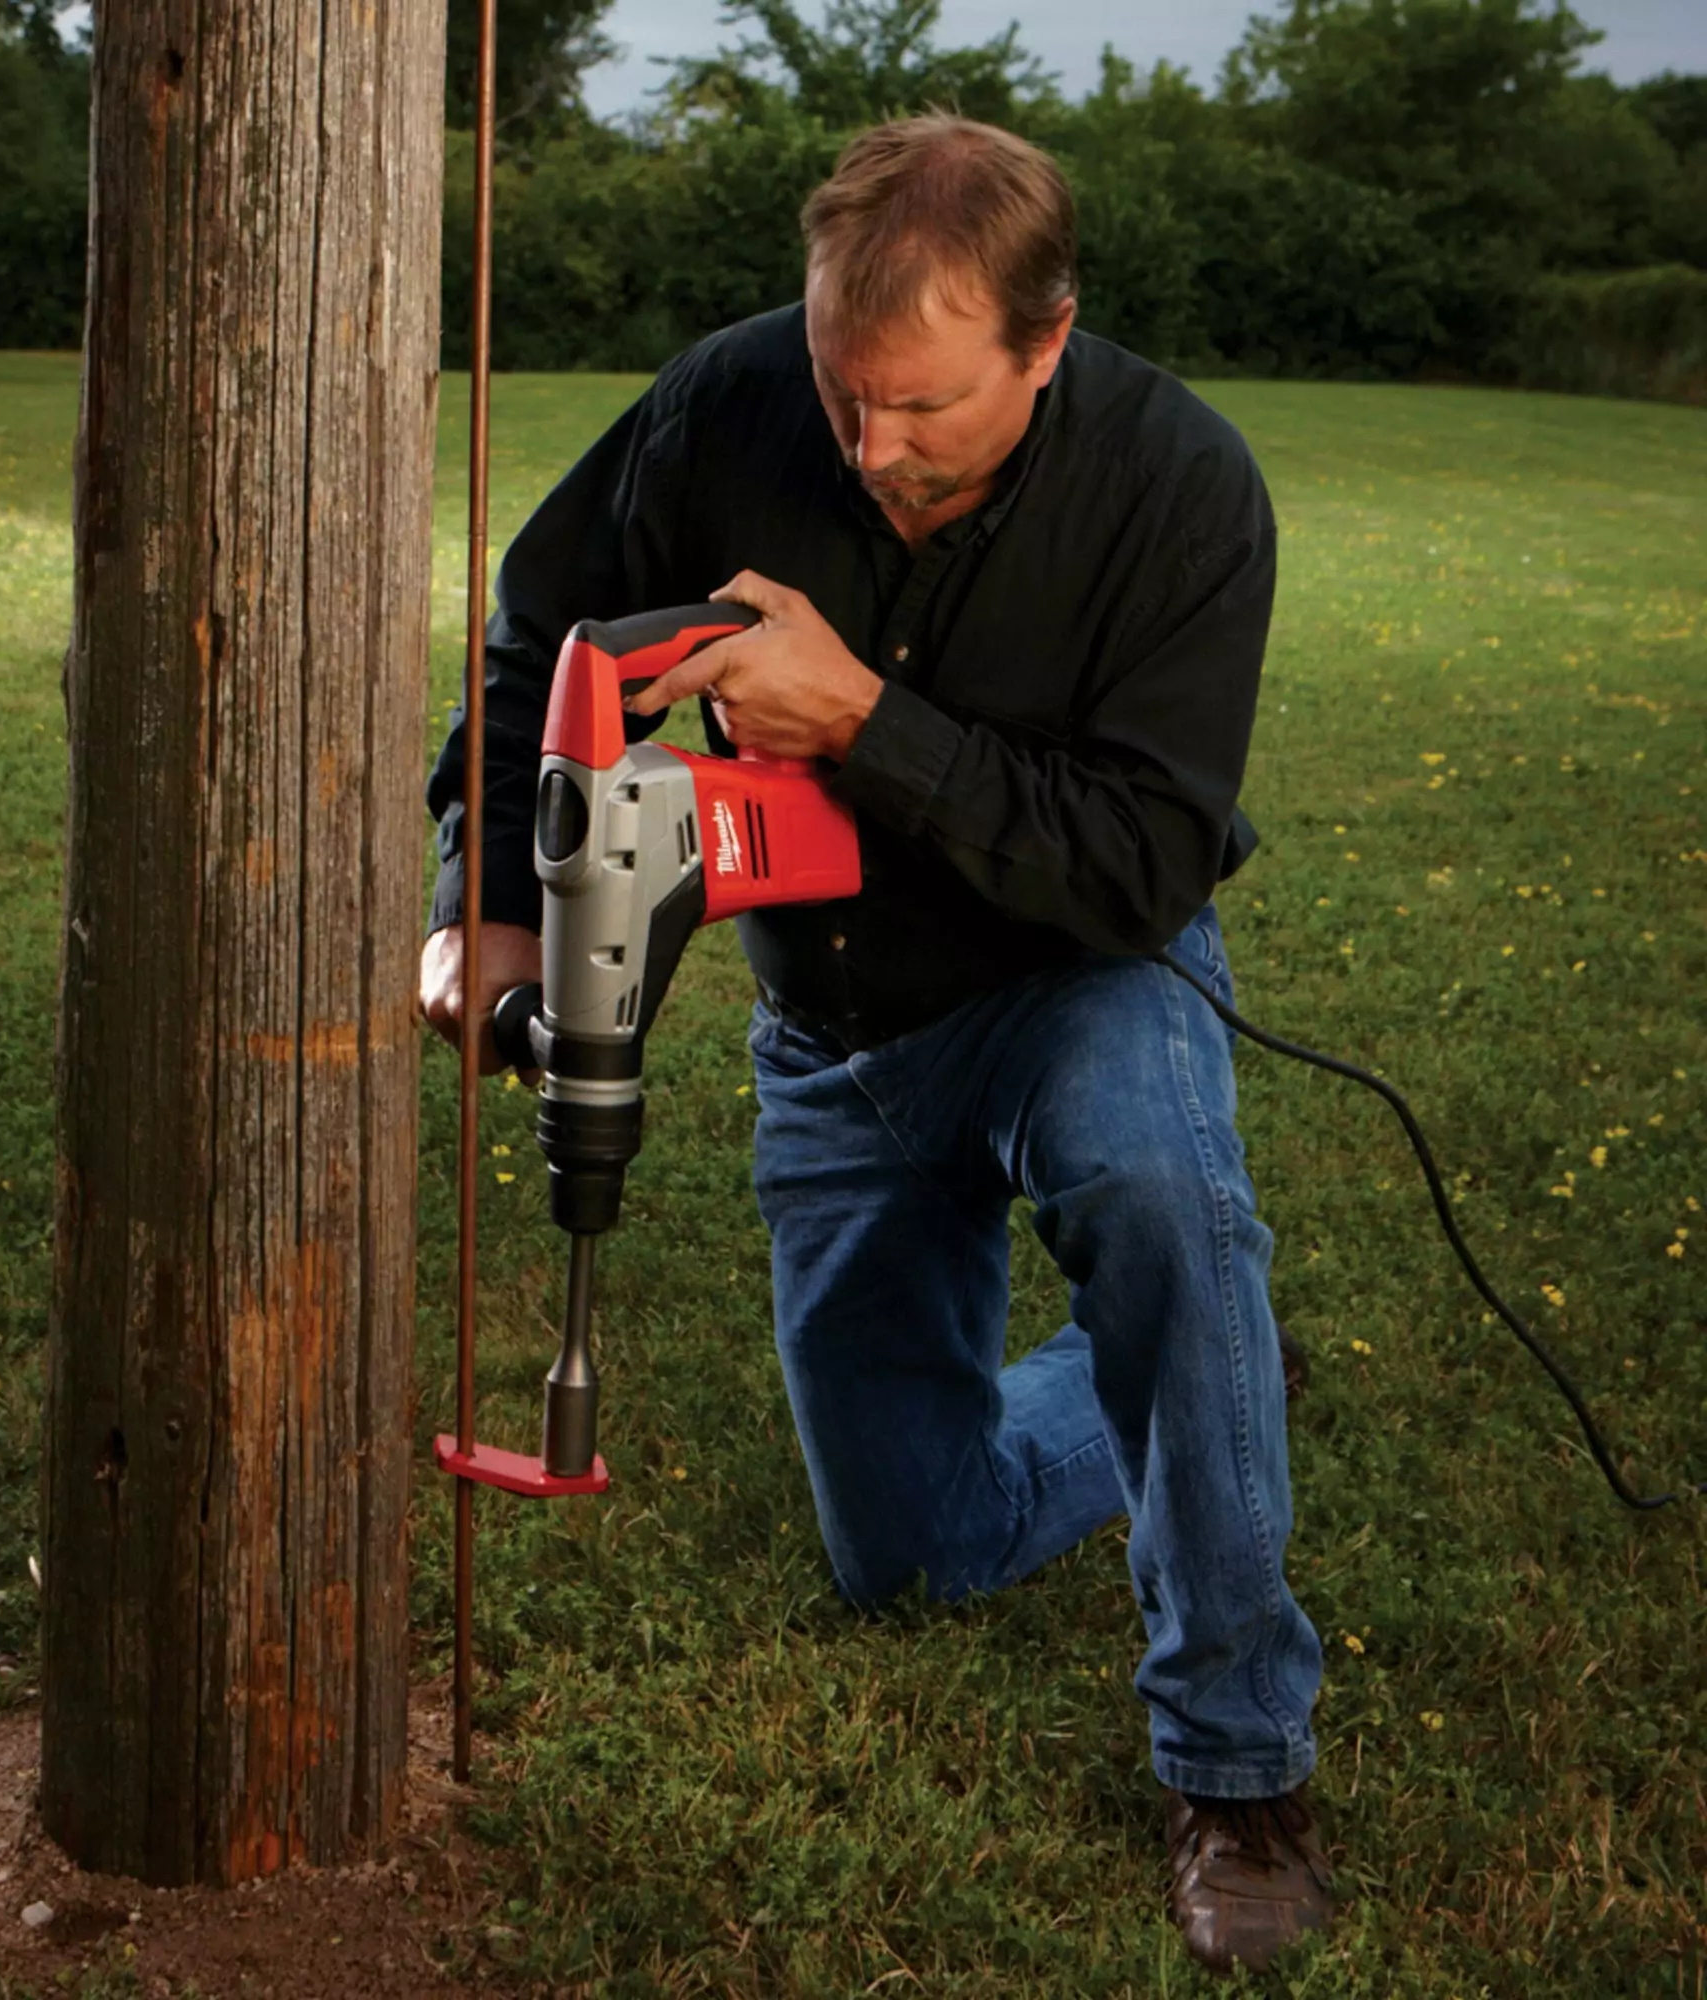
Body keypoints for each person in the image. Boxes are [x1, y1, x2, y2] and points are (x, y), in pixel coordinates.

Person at [418, 114, 1335, 1975]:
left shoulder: (1180, 488)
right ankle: (1217, 1386)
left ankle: (1240, 1768)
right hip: (834, 1029)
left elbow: (1141, 863)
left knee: (1161, 1198)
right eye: (846, 392)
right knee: (910, 1556)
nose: (870, 443)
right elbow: (538, 640)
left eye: (921, 405)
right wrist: (493, 894)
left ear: (1045, 341)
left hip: (1080, 981)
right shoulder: (731, 401)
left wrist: (860, 721)